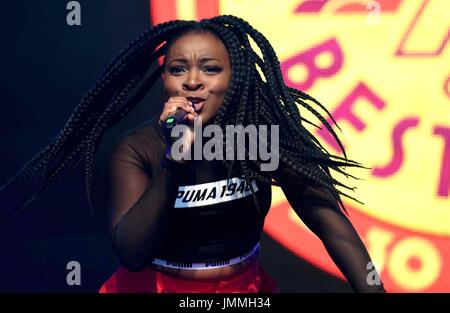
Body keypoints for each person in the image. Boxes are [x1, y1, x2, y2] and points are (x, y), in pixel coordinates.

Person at [0, 15, 386, 293]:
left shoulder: (257, 140)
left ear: (234, 78)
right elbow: (132, 253)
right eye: (178, 69)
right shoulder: (138, 149)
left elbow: (332, 226)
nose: (193, 81)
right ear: (164, 78)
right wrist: (174, 163)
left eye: (210, 69)